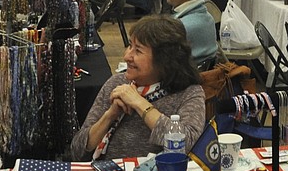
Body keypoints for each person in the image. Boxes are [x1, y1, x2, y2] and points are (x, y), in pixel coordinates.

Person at [71, 15, 206, 160]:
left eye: (138, 51)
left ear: (164, 60)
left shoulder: (189, 93)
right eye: (130, 46)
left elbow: (187, 144)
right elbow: (77, 151)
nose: (127, 56)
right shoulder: (117, 84)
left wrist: (139, 103)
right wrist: (110, 115)